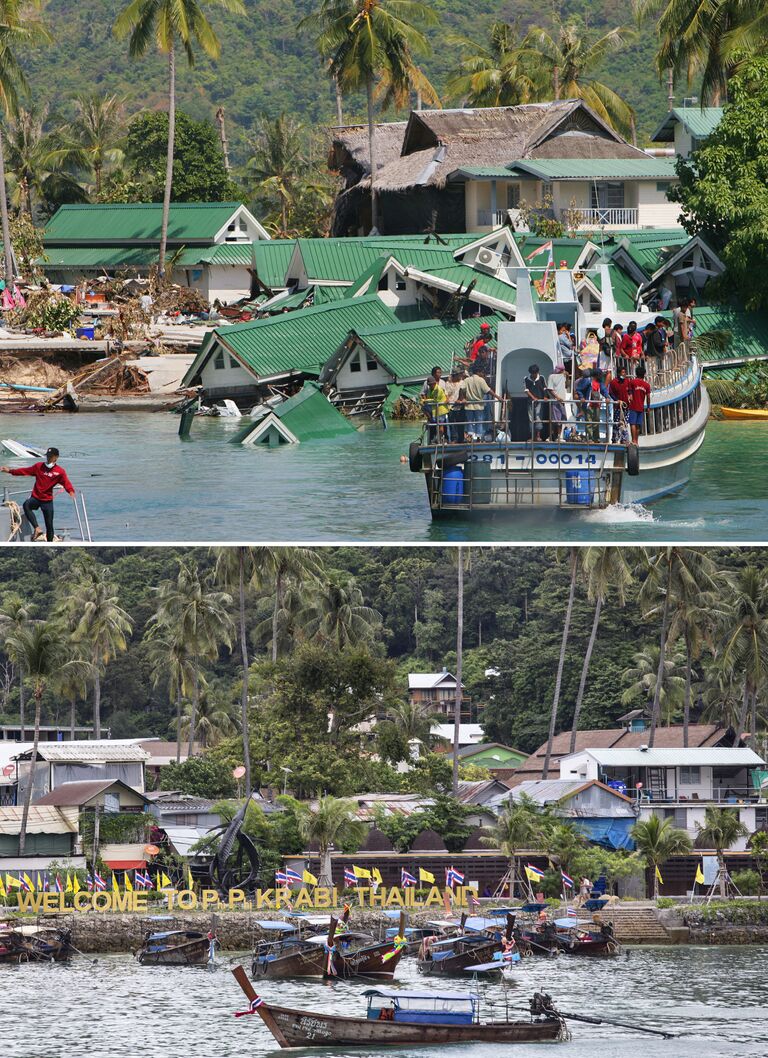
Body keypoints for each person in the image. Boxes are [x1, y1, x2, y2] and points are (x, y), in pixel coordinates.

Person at [0, 447, 76, 542]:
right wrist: (10, 471)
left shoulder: (59, 471)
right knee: (26, 505)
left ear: (56, 457)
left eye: (51, 456)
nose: (48, 458)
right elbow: (24, 471)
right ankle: (37, 528)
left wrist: (71, 491)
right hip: (36, 498)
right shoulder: (39, 466)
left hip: (47, 501)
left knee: (49, 525)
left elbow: (66, 483)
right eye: (47, 456)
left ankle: (49, 543)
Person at [463, 364, 501, 440]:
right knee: (479, 421)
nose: (483, 374)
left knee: (470, 421)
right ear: (478, 372)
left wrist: (463, 398)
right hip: (478, 404)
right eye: (482, 372)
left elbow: (462, 389)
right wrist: (498, 397)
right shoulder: (481, 380)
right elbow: (488, 390)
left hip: (468, 404)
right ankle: (478, 438)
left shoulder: (466, 380)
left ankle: (470, 436)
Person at [627, 364, 651, 444]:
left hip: (633, 406)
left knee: (632, 424)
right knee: (638, 425)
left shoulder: (632, 382)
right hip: (641, 407)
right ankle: (636, 441)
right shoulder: (647, 385)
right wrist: (648, 407)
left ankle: (633, 440)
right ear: (644, 374)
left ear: (636, 373)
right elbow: (648, 397)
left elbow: (629, 392)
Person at [524, 364, 549, 441]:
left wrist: (545, 396)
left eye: (535, 373)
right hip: (530, 402)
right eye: (532, 373)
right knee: (531, 419)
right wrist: (533, 398)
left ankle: (538, 436)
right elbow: (526, 390)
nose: (534, 375)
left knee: (538, 417)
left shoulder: (541, 378)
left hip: (539, 402)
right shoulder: (526, 379)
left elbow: (544, 388)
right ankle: (532, 436)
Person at [421, 375, 449, 442]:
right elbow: (429, 397)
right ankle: (435, 438)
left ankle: (441, 438)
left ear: (434, 383)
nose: (430, 386)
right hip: (435, 409)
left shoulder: (438, 389)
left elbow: (435, 400)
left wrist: (426, 401)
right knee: (435, 423)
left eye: (431, 384)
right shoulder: (431, 389)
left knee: (440, 424)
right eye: (429, 385)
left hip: (441, 409)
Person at [546, 363, 568, 439]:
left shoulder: (563, 376)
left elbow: (567, 385)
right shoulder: (551, 376)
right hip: (554, 401)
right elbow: (550, 389)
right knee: (553, 419)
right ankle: (551, 436)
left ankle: (559, 436)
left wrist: (567, 376)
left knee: (561, 420)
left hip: (562, 401)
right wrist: (557, 397)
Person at [443, 368, 465, 443]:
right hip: (451, 406)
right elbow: (446, 394)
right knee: (452, 424)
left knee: (461, 424)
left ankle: (461, 439)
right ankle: (454, 439)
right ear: (455, 375)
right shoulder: (448, 383)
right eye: (459, 374)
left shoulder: (463, 382)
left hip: (460, 406)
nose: (460, 375)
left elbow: (464, 393)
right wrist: (447, 400)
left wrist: (461, 400)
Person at [609, 365, 630, 442]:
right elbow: (611, 393)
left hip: (626, 407)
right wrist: (616, 400)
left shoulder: (627, 381)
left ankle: (624, 439)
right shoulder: (613, 382)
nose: (624, 374)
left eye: (625, 372)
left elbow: (630, 391)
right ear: (618, 373)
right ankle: (614, 439)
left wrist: (630, 397)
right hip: (618, 407)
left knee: (625, 423)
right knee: (617, 423)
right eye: (623, 372)